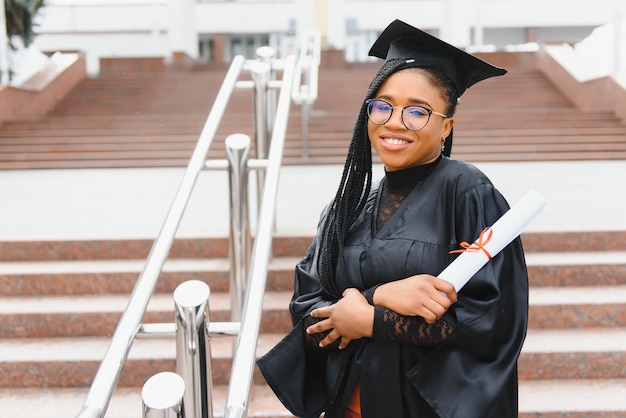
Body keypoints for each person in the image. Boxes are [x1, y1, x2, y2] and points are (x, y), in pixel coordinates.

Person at [257, 19, 529, 418]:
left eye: (417, 111)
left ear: (446, 126)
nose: (394, 122)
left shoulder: (467, 191)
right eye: (382, 105)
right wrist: (378, 297)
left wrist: (371, 320)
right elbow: (307, 308)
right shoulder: (345, 207)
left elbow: (492, 320)